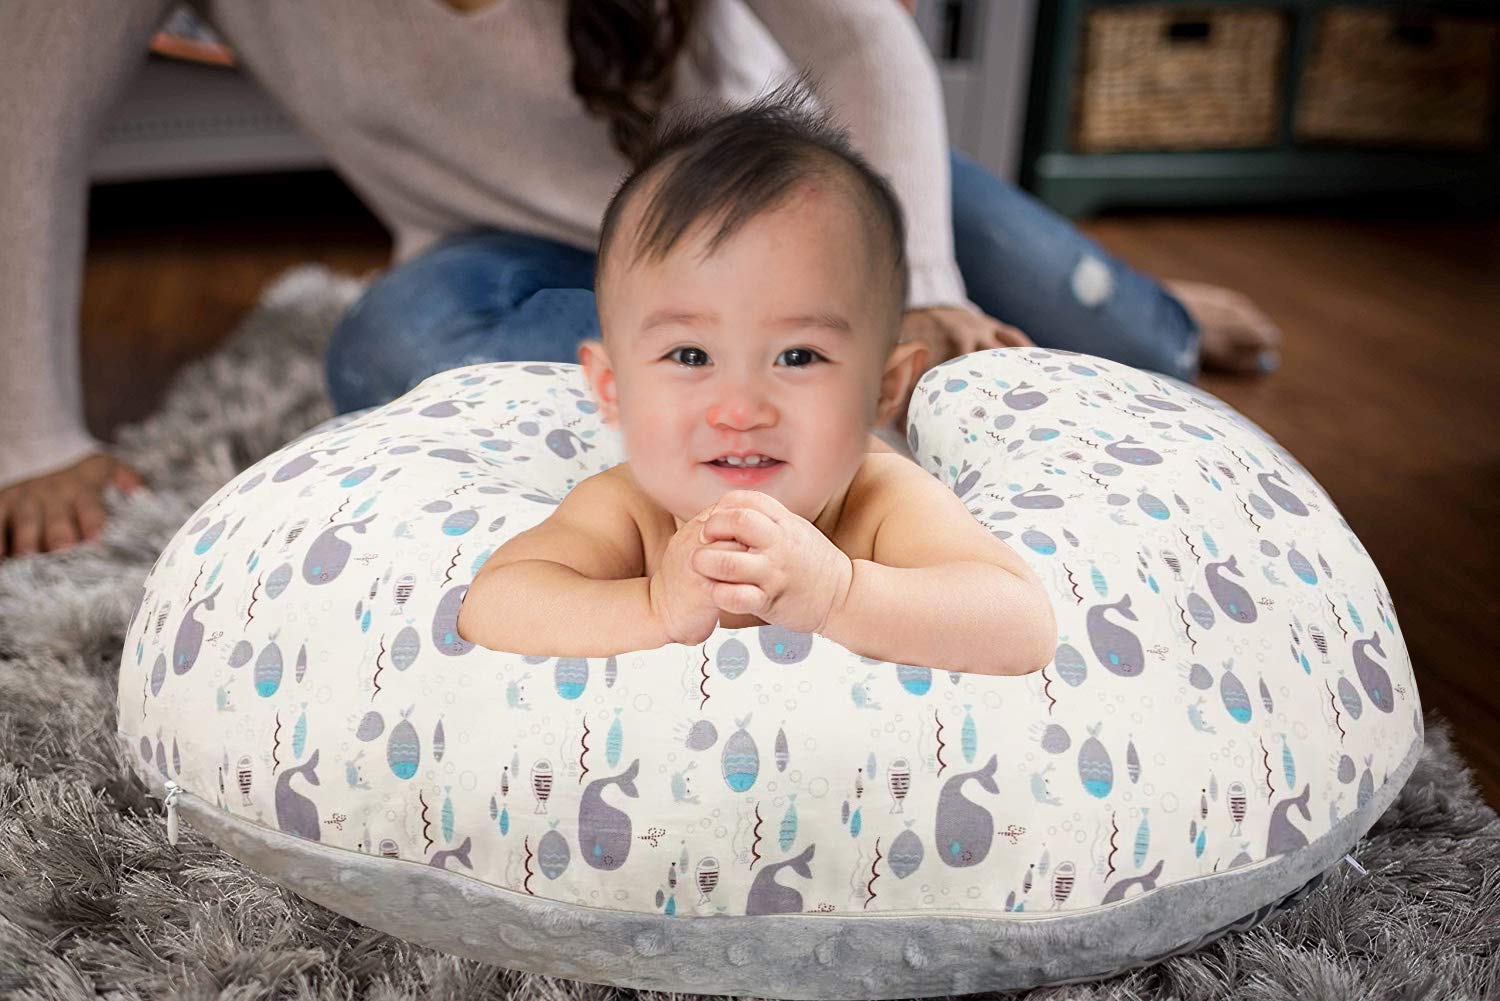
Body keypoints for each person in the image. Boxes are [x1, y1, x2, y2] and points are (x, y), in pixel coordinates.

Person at [0, 0, 1281, 560]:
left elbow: (861, 35)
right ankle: (802, 369)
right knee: (394, 352)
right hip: (491, 249)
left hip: (792, 202)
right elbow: (27, 108)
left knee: (1133, 352)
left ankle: (1148, 303)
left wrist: (923, 283)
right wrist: (34, 432)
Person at [457, 82, 1057, 676]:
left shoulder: (880, 500)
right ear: (614, 390)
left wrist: (840, 594)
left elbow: (1021, 623)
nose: (740, 410)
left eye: (797, 357)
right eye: (691, 356)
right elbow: (495, 603)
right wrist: (650, 605)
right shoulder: (630, 508)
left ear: (881, 389)